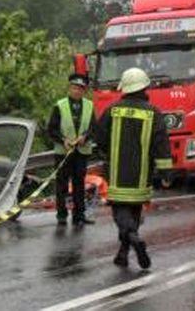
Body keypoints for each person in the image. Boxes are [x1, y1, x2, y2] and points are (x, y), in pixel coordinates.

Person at [94, 67, 172, 269]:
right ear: (145, 87)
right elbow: (161, 145)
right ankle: (123, 252)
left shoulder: (113, 110)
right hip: (141, 175)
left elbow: (99, 138)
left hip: (117, 173)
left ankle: (132, 237)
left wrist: (106, 154)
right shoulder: (153, 113)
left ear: (125, 88)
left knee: (120, 212)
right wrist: (166, 173)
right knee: (134, 212)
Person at [47, 72, 97, 226]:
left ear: (84, 90)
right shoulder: (60, 105)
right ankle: (61, 215)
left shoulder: (89, 105)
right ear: (69, 88)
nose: (77, 91)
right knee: (61, 184)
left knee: (79, 185)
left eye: (80, 88)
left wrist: (85, 137)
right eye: (74, 87)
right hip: (64, 152)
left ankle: (79, 215)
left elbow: (94, 128)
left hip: (81, 152)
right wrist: (63, 140)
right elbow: (51, 129)